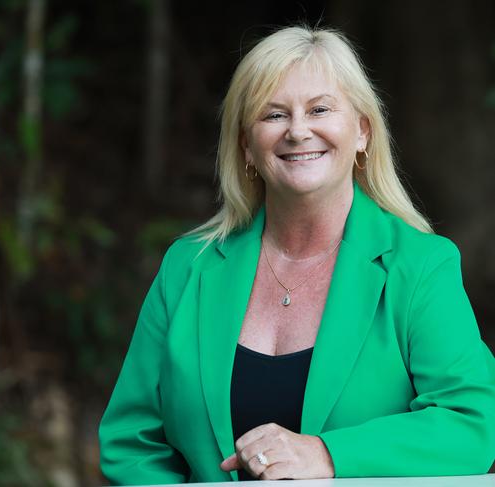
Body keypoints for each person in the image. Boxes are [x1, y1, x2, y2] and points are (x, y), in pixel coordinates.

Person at [98, 25, 495, 484]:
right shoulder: (188, 267)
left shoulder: (420, 266)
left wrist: (326, 455)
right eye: (273, 114)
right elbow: (131, 441)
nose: (298, 131)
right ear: (246, 145)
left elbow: (475, 421)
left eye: (320, 109)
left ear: (362, 132)